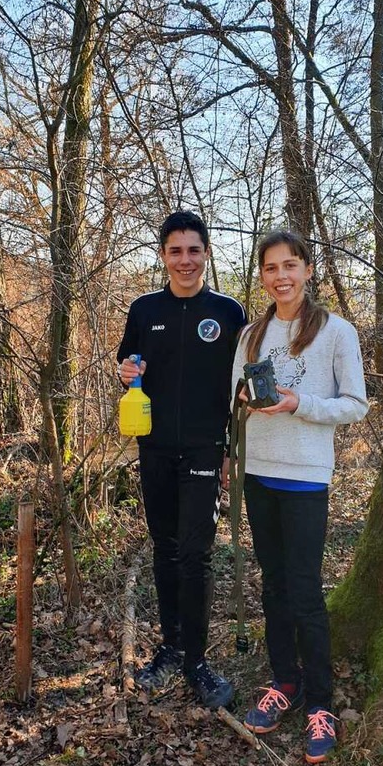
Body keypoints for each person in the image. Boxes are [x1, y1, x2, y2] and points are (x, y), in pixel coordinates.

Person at [232, 229, 368, 763]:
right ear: (262, 276)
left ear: (308, 270)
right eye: (271, 267)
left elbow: (355, 404)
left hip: (307, 477)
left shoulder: (337, 332)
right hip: (258, 474)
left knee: (306, 591)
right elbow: (234, 403)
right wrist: (246, 400)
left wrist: (298, 404)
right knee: (273, 586)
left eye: (291, 265)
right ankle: (284, 683)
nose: (281, 276)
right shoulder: (250, 335)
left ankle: (321, 705)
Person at [117, 211, 246, 709]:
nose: (185, 260)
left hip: (203, 451)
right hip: (153, 450)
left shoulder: (229, 313)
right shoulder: (144, 309)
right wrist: (125, 369)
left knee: (196, 554)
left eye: (194, 250)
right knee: (164, 549)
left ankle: (197, 661)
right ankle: (169, 649)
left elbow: (240, 390)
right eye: (176, 251)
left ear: (207, 253)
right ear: (163, 255)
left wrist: (232, 449)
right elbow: (129, 368)